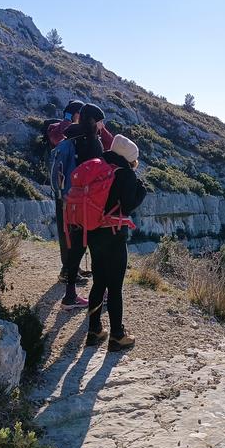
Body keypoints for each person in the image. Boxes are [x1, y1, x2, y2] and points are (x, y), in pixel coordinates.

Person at [85, 134, 146, 350]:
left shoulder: (98, 166)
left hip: (94, 232)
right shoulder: (126, 174)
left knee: (98, 282)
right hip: (114, 234)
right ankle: (117, 336)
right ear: (129, 158)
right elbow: (127, 206)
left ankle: (94, 330)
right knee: (115, 287)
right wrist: (141, 192)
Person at [59, 103, 112, 309]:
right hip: (89, 204)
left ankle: (70, 295)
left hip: (72, 201)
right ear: (93, 121)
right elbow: (98, 175)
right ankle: (102, 292)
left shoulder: (71, 136)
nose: (102, 125)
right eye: (100, 121)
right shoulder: (93, 142)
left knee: (76, 248)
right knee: (97, 248)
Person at [49, 100, 88, 288]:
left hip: (65, 193)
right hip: (66, 195)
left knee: (70, 232)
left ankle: (73, 268)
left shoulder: (64, 137)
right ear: (75, 115)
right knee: (67, 233)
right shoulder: (66, 136)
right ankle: (67, 271)